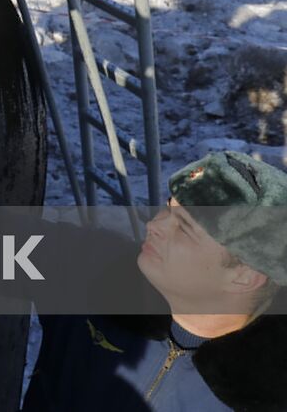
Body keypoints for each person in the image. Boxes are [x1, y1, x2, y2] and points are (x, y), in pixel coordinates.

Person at [19, 151, 287, 411]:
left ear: (245, 275)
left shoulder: (269, 394)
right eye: (168, 209)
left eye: (183, 228)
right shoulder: (98, 270)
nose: (154, 226)